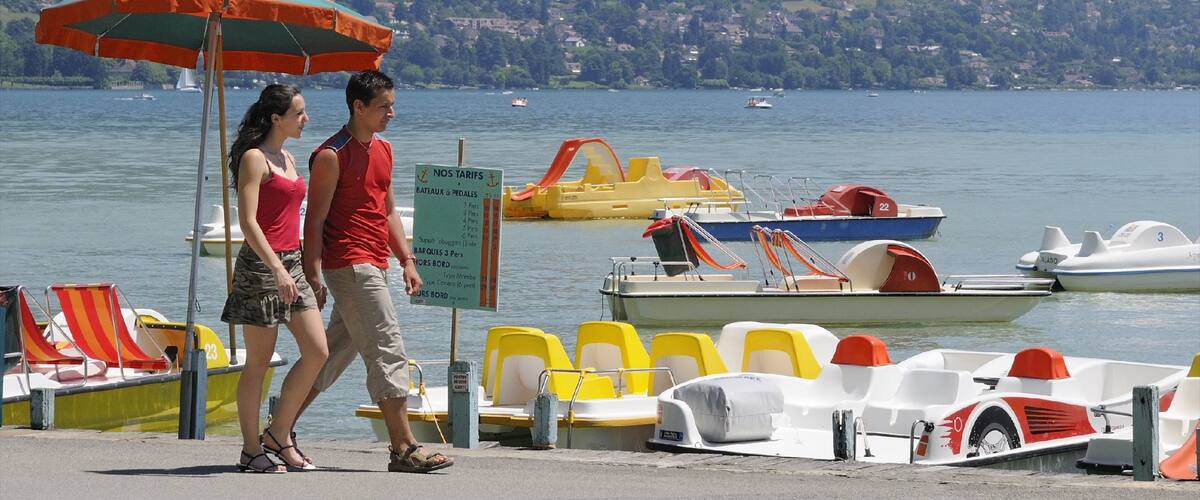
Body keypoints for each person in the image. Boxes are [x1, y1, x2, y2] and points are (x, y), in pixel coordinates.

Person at [299, 70, 453, 473]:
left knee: (330, 353)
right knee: (387, 348)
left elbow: (386, 212)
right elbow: (313, 222)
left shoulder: (384, 149)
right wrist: (313, 274)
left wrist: (407, 260)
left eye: (392, 104)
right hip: (349, 263)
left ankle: (278, 428)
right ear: (358, 106)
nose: (392, 113)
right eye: (384, 106)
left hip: (376, 263)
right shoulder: (331, 155)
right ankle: (403, 448)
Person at [222, 84, 329, 473]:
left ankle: (279, 433)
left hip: (293, 263)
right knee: (259, 362)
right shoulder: (255, 159)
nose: (306, 119)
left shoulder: (288, 157)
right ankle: (251, 449)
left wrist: (305, 268)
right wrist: (277, 269)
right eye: (299, 113)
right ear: (276, 118)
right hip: (261, 268)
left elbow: (289, 219)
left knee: (318, 351)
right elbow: (248, 222)